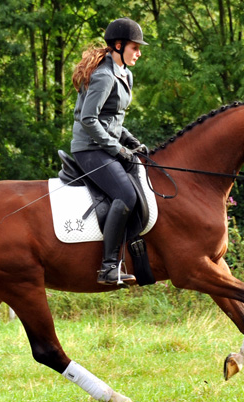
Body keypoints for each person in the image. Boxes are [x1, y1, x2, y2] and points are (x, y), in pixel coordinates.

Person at [70, 17, 148, 286]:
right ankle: (108, 267)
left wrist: (132, 141)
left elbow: (114, 119)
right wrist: (118, 149)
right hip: (89, 149)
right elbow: (89, 120)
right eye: (135, 48)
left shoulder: (125, 73)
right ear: (118, 45)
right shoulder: (104, 76)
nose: (139, 53)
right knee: (126, 194)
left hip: (105, 144)